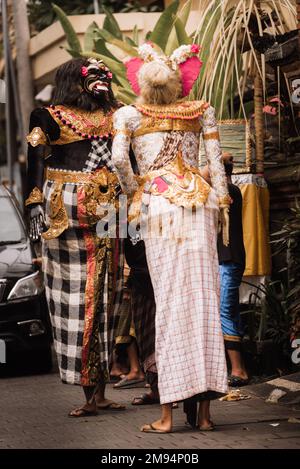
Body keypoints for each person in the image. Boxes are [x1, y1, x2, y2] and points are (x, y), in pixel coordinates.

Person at [112, 43, 230, 433]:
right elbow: (215, 165)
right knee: (204, 303)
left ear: (141, 81)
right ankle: (208, 416)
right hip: (200, 204)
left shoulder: (128, 114)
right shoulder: (202, 110)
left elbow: (117, 160)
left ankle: (167, 416)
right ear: (180, 81)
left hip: (158, 207)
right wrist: (223, 200)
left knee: (169, 305)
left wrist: (136, 191)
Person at [25, 57, 125, 416]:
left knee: (107, 301)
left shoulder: (121, 114)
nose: (101, 81)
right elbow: (35, 161)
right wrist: (35, 204)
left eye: (104, 75)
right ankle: (86, 394)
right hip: (66, 218)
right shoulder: (48, 116)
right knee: (75, 303)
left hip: (114, 215)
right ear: (73, 80)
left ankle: (100, 392)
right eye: (92, 74)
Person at [217, 154, 248, 386]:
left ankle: (239, 370)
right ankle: (238, 366)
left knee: (225, 312)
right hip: (227, 259)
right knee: (231, 311)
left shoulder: (230, 191)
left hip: (230, 260)